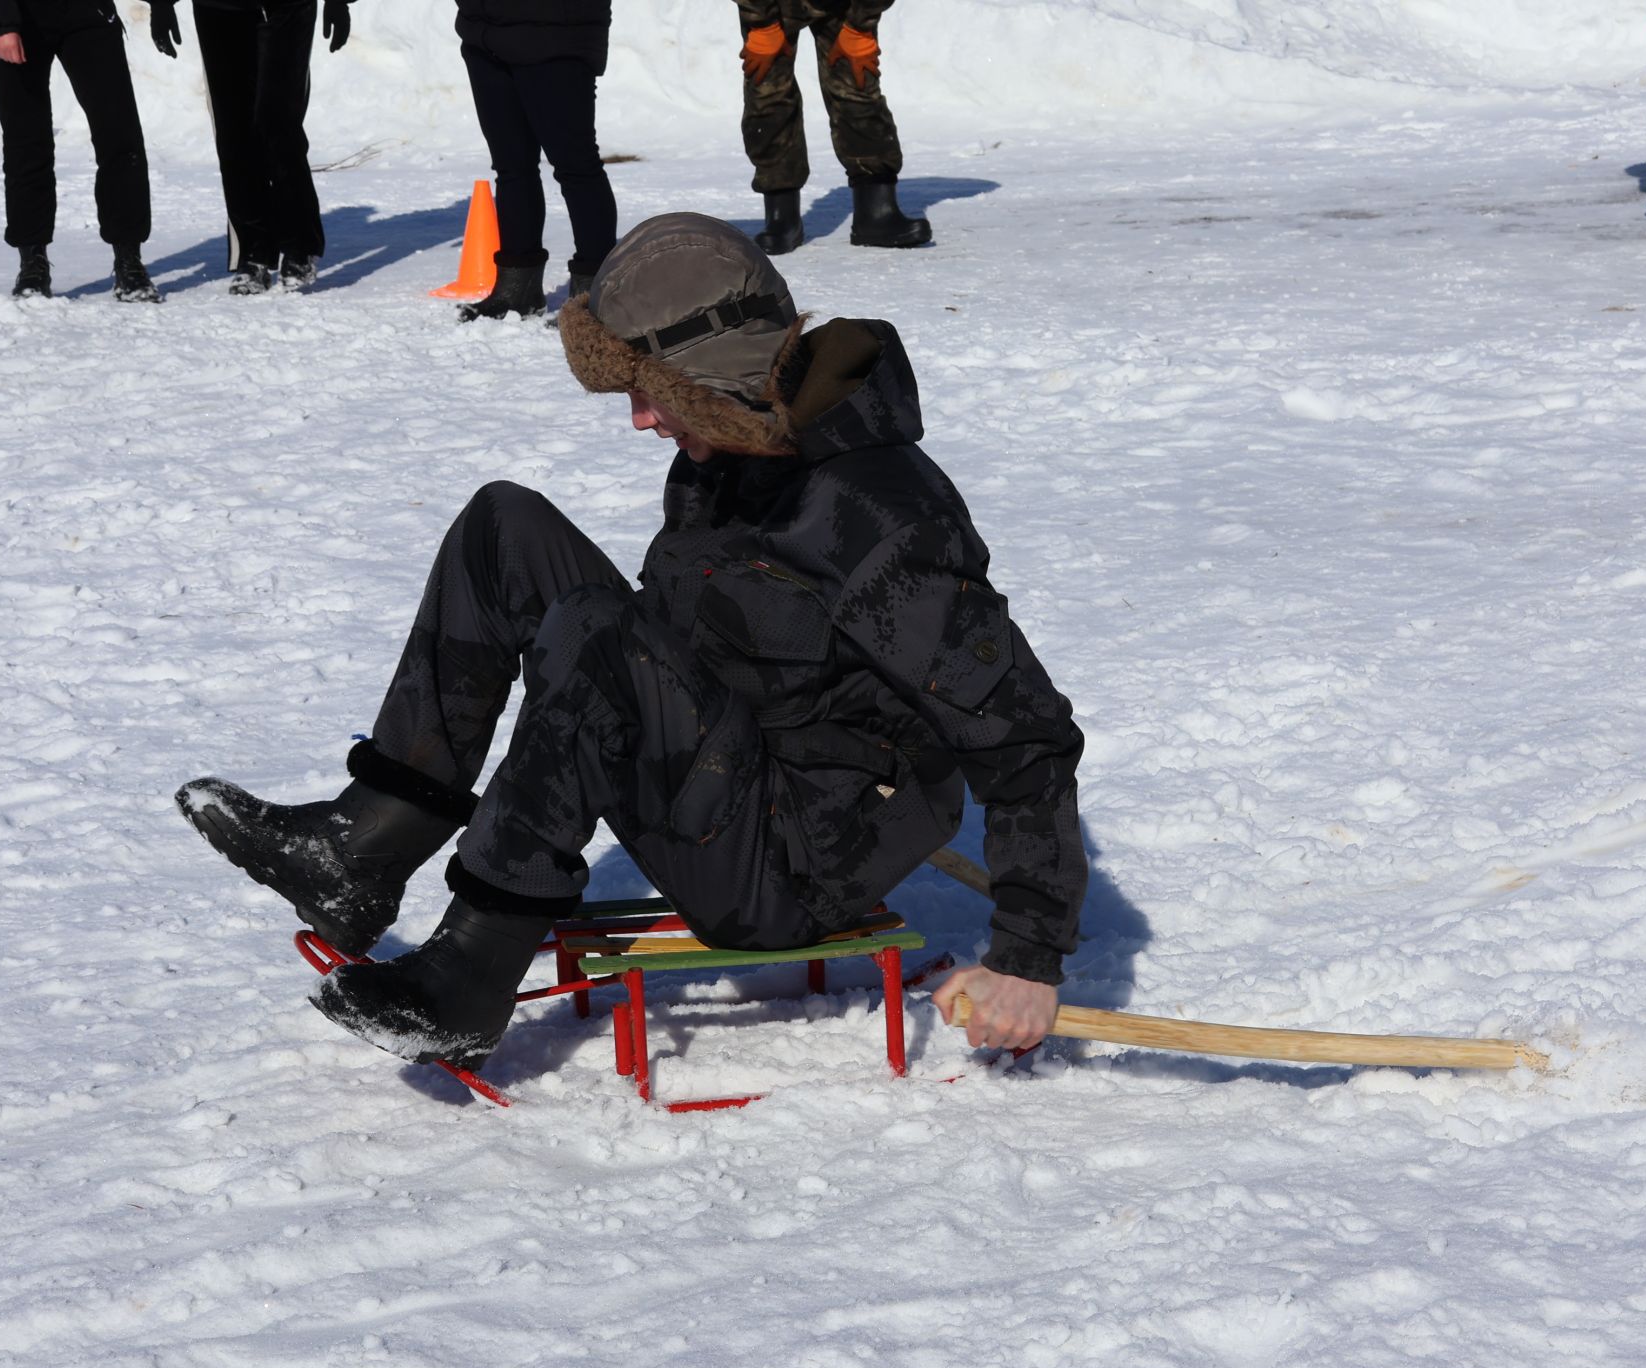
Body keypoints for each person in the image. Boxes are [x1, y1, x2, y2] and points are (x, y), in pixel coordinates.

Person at [175, 212, 1085, 1071]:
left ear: (716, 371)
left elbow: (1025, 735)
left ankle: (472, 972)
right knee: (507, 527)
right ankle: (362, 850)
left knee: (597, 631)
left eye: (651, 392)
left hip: (792, 862)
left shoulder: (879, 522)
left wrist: (1028, 958)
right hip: (733, 766)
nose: (641, 420)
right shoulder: (734, 453)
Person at [148, 0, 352, 293]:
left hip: (288, 9)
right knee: (234, 130)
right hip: (218, 8)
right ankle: (254, 250)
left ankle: (299, 246)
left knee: (277, 119)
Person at [0, 0, 162, 301]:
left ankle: (128, 259)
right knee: (26, 141)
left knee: (119, 134)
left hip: (88, 11)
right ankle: (32, 262)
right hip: (17, 15)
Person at [450, 0, 619, 322]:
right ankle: (518, 288)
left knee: (576, 167)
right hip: (484, 33)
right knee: (511, 166)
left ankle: (595, 294)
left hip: (556, 33)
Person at [736, 0, 930, 253]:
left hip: (846, 6)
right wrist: (762, 24)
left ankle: (876, 210)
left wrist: (860, 27)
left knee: (857, 86)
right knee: (767, 93)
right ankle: (781, 216)